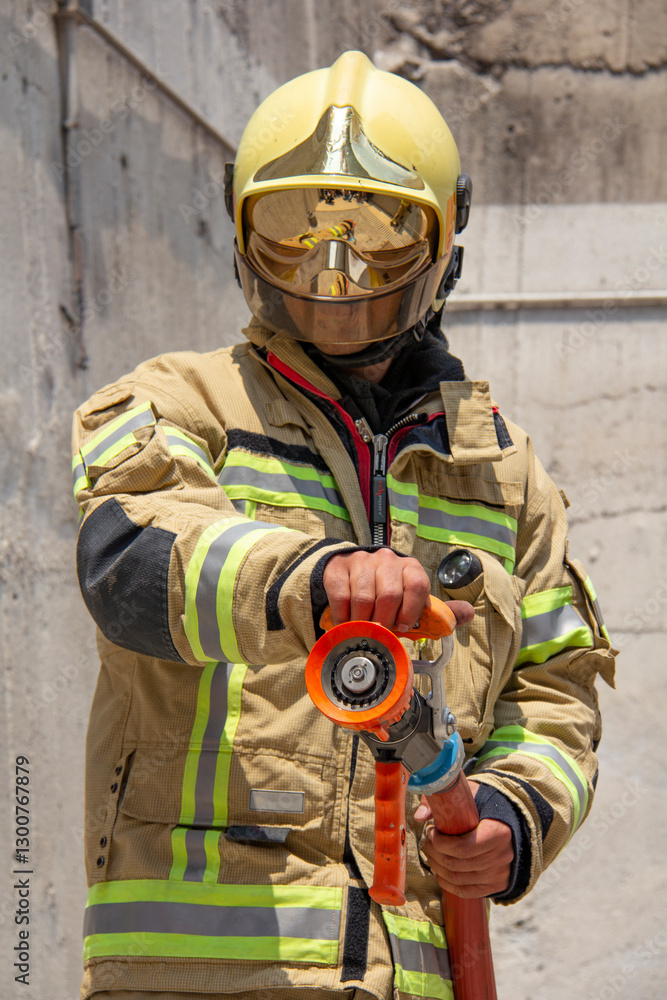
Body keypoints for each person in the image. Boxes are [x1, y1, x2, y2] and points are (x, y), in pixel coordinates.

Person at [71, 50, 615, 1000]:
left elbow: (555, 687)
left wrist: (510, 813)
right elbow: (132, 562)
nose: (334, 274)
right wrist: (308, 577)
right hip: (200, 975)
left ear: (443, 242)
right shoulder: (174, 404)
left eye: (377, 239)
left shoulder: (503, 473)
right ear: (240, 230)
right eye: (294, 233)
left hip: (416, 975)